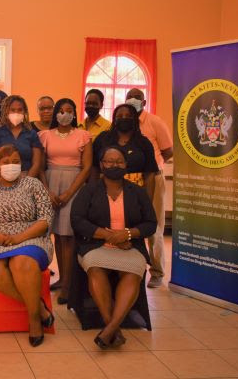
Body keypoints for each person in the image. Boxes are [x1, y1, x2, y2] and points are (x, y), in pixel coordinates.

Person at [70, 146, 157, 349]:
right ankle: (113, 328)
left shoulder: (138, 192)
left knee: (133, 273)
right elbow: (77, 220)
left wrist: (128, 234)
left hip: (131, 246)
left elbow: (150, 223)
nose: (114, 165)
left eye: (119, 161)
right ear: (101, 165)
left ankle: (109, 329)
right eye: (109, 161)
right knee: (95, 268)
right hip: (95, 245)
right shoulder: (89, 190)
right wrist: (110, 235)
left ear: (126, 165)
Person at [0, 145, 55, 346]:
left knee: (21, 262)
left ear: (22, 164)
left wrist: (19, 238)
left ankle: (34, 321)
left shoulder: (33, 184)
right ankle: (38, 308)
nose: (11, 165)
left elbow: (45, 219)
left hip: (31, 236)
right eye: (6, 162)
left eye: (15, 161)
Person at [38, 98, 92, 305]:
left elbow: (87, 167)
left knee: (69, 236)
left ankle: (69, 284)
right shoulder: (45, 135)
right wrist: (48, 191)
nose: (64, 114)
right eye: (60, 111)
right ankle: (62, 279)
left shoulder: (83, 135)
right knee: (58, 237)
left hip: (74, 185)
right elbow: (40, 166)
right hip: (50, 183)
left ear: (75, 113)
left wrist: (69, 193)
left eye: (69, 110)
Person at [125, 88, 173, 288]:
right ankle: (130, 268)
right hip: (129, 179)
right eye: (130, 97)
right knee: (128, 223)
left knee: (154, 225)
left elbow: (168, 151)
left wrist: (152, 166)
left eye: (137, 97)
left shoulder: (154, 122)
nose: (133, 100)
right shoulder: (124, 122)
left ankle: (157, 272)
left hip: (153, 177)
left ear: (144, 102)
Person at [91, 104, 159, 199]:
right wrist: (92, 194)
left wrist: (148, 201)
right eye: (119, 116)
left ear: (134, 119)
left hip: (136, 194)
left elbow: (150, 174)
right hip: (105, 192)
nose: (124, 118)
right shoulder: (103, 139)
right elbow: (94, 168)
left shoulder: (143, 142)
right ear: (114, 119)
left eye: (128, 116)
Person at [0, 95, 43, 179]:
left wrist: (27, 183)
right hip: (2, 177)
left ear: (24, 112)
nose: (16, 113)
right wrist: (1, 182)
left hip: (27, 177)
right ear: (6, 111)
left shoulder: (32, 134)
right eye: (12, 110)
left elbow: (36, 163)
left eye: (20, 110)